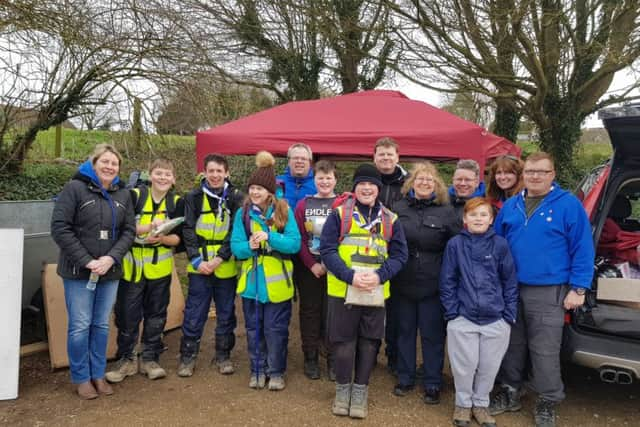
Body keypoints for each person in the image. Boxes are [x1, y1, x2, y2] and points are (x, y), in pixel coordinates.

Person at [490, 152, 595, 427]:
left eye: (541, 172)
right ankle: (511, 390)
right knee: (512, 344)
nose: (535, 176)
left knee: (545, 348)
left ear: (553, 174)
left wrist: (579, 288)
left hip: (549, 290)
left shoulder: (569, 205)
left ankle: (548, 398)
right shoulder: (511, 206)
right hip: (511, 288)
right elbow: (498, 246)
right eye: (530, 171)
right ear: (523, 175)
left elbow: (583, 248)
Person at [320, 163, 408, 419]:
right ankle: (343, 389)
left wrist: (380, 276)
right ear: (355, 188)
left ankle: (360, 391)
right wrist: (350, 276)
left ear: (378, 189)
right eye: (362, 184)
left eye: (371, 184)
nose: (367, 188)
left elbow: (400, 255)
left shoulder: (391, 219)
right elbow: (327, 250)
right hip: (343, 290)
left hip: (375, 291)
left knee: (370, 343)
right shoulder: (338, 215)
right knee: (343, 342)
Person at [50, 144, 135, 399]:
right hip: (78, 272)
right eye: (105, 162)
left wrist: (110, 258)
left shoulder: (123, 194)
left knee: (100, 325)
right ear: (93, 163)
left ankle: (98, 373)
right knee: (79, 325)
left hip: (109, 272)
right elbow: (60, 228)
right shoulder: (74, 189)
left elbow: (129, 231)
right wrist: (87, 261)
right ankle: (81, 377)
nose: (109, 167)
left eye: (114, 163)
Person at [440, 197, 518, 427]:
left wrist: (508, 315)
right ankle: (463, 405)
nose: (478, 219)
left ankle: (481, 405)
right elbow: (447, 281)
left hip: (496, 318)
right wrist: (452, 313)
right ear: (465, 218)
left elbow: (510, 281)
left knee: (489, 366)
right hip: (463, 317)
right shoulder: (455, 244)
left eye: (483, 214)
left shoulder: (501, 244)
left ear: (491, 219)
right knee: (464, 366)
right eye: (473, 215)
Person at [105, 158, 183, 384]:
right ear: (150, 175)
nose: (163, 178)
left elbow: (180, 239)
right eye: (159, 173)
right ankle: (126, 360)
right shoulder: (134, 196)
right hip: (132, 269)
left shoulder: (177, 202)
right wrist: (145, 229)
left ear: (174, 179)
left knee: (156, 316)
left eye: (167, 174)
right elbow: (119, 227)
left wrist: (162, 237)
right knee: (127, 316)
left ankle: (150, 359)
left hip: (159, 269)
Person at [391, 162, 461, 404]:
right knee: (405, 333)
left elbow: (456, 247)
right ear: (411, 182)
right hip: (403, 282)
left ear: (437, 185)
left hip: (434, 285)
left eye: (429, 180)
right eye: (420, 179)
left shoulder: (447, 212)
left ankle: (432, 382)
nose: (424, 183)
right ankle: (405, 376)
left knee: (432, 336)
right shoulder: (398, 208)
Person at [231, 151, 301, 391]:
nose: (254, 192)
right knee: (253, 329)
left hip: (278, 285)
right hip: (252, 285)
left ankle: (276, 371)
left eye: (260, 189)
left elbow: (294, 243)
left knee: (276, 330)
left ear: (269, 191)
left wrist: (270, 237)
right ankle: (257, 370)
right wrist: (248, 246)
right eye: (252, 188)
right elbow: (235, 247)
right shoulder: (243, 214)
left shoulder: (283, 211)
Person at [177, 154, 244, 377]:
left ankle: (223, 355)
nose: (215, 175)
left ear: (227, 173)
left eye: (219, 171)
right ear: (204, 172)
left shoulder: (236, 197)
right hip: (199, 265)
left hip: (224, 265)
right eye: (211, 171)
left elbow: (237, 230)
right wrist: (197, 260)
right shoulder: (193, 197)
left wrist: (219, 258)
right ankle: (188, 356)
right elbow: (187, 229)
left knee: (226, 313)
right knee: (195, 312)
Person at [294, 160, 338, 380]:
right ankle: (310, 356)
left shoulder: (342, 203)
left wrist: (333, 264)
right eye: (320, 178)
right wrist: (311, 264)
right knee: (310, 312)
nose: (324, 182)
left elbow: (345, 236)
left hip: (336, 268)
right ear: (315, 180)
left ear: (335, 180)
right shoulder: (303, 204)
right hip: (309, 267)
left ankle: (332, 358)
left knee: (333, 313)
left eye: (328, 178)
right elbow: (299, 238)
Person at [373, 136, 408, 375]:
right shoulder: (366, 180)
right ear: (374, 157)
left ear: (397, 157)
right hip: (369, 254)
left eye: (389, 154)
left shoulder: (408, 183)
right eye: (381, 154)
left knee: (396, 310)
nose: (385, 158)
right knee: (372, 307)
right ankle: (370, 352)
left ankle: (394, 355)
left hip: (398, 253)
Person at [277, 142, 317, 209]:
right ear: (289, 161)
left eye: (303, 159)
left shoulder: (319, 184)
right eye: (295, 158)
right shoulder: (277, 183)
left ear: (310, 162)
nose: (299, 161)